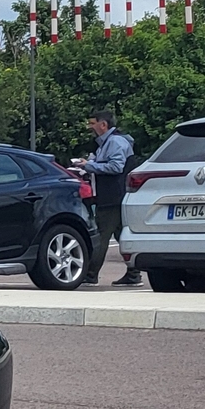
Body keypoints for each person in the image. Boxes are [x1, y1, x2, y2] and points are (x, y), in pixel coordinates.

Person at [80, 105, 140, 286]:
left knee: (101, 235)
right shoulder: (110, 142)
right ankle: (133, 274)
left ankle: (89, 275)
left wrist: (89, 166)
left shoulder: (114, 142)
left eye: (92, 123)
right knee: (122, 234)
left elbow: (116, 167)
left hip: (112, 197)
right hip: (118, 195)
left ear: (103, 125)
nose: (89, 127)